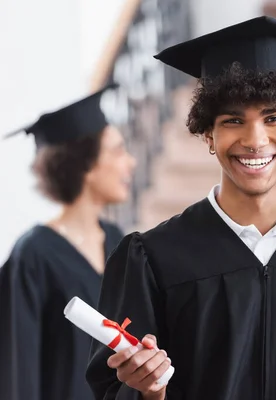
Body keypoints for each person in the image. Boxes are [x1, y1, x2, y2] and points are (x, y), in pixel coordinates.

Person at [85, 16, 276, 400]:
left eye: (274, 118)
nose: (255, 140)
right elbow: (111, 390)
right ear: (209, 134)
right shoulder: (155, 258)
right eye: (233, 120)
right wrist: (147, 391)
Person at [0, 84, 136, 400]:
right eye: (117, 150)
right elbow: (18, 372)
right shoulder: (33, 256)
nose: (130, 162)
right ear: (85, 165)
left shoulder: (118, 242)